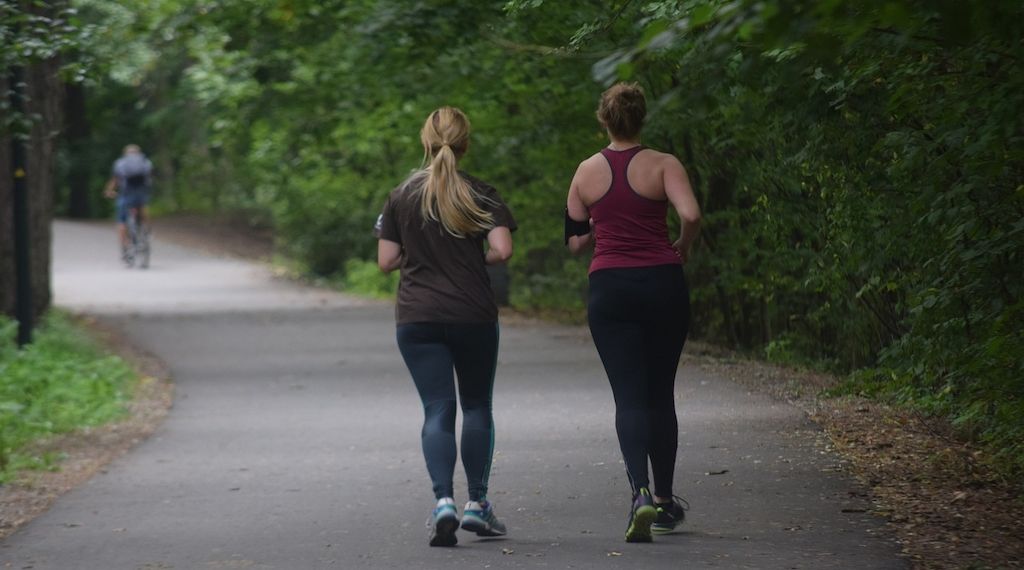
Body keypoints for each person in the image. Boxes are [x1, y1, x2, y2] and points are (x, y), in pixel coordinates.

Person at [564, 83, 701, 543]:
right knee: (660, 393)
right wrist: (683, 244)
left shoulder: (585, 171)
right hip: (663, 284)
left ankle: (638, 493)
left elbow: (575, 241)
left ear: (603, 119)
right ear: (643, 117)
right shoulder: (664, 164)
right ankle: (663, 501)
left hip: (611, 289)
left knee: (628, 397)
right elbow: (691, 214)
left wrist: (596, 227)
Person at [375, 107, 516, 547]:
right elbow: (502, 250)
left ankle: (443, 503)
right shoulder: (481, 193)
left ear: (426, 142)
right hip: (473, 314)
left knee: (438, 409)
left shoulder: (401, 195)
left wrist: (419, 255)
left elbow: (386, 261)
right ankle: (478, 503)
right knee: (476, 407)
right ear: (465, 143)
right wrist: (471, 257)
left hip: (417, 317)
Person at [103, 144, 153, 263]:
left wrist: (109, 191)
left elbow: (115, 179)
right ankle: (147, 232)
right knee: (143, 208)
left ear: (125, 154)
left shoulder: (120, 163)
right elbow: (149, 179)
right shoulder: (146, 162)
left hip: (126, 195)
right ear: (139, 153)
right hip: (141, 195)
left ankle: (125, 249)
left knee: (121, 222)